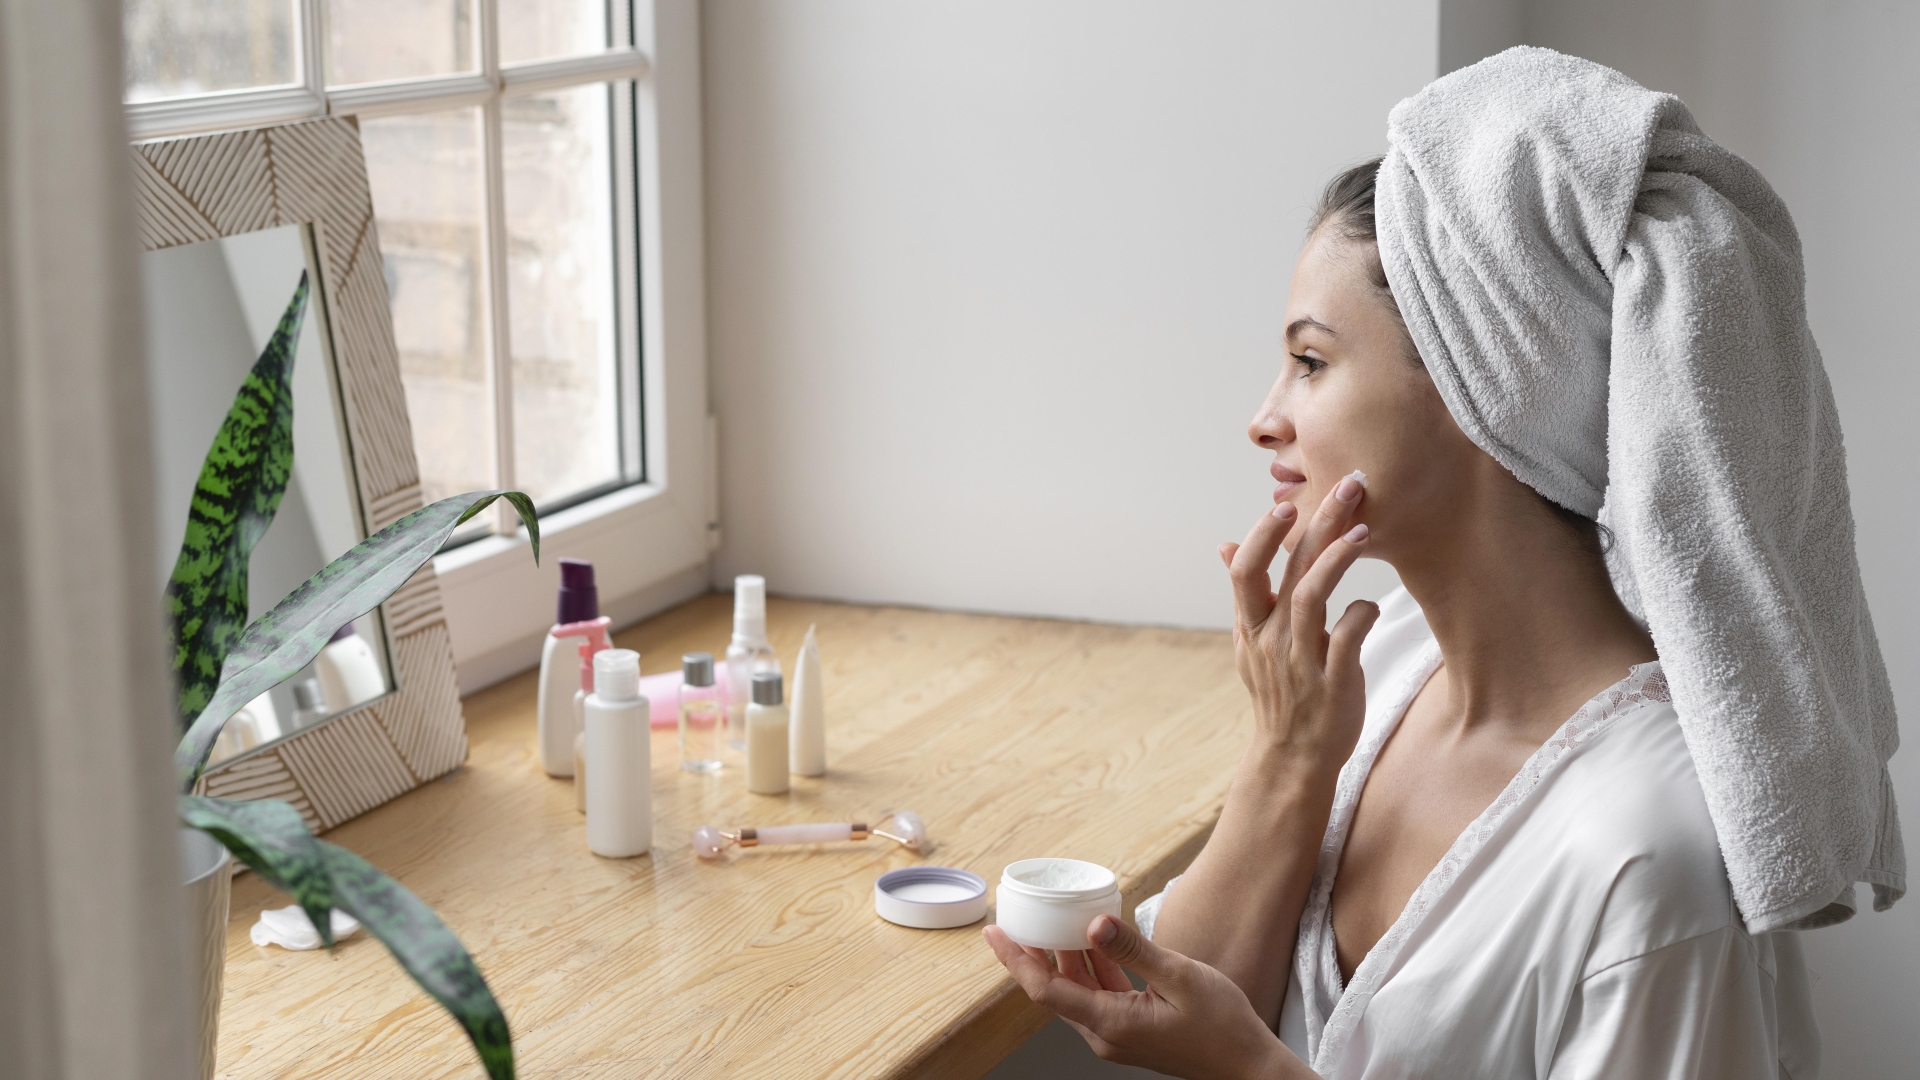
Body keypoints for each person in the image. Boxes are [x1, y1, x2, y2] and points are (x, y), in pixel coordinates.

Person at [984, 47, 1900, 1079]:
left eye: (1310, 361)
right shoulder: (1377, 670)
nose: (1265, 418)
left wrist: (1256, 1070)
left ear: (1479, 389)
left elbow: (1223, 1046)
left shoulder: (1653, 855)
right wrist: (1287, 755)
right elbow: (1177, 1003)